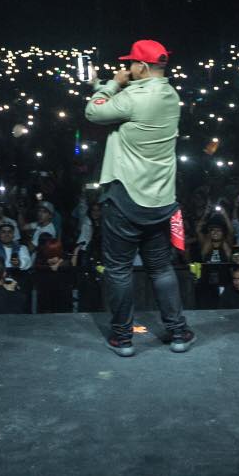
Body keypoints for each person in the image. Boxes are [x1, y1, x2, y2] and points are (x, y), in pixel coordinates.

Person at [85, 39, 193, 356]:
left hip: (125, 198)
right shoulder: (172, 96)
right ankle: (178, 333)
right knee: (160, 269)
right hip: (160, 200)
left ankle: (122, 337)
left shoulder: (132, 96)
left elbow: (94, 112)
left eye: (131, 63)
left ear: (142, 67)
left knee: (119, 269)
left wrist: (108, 87)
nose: (127, 68)